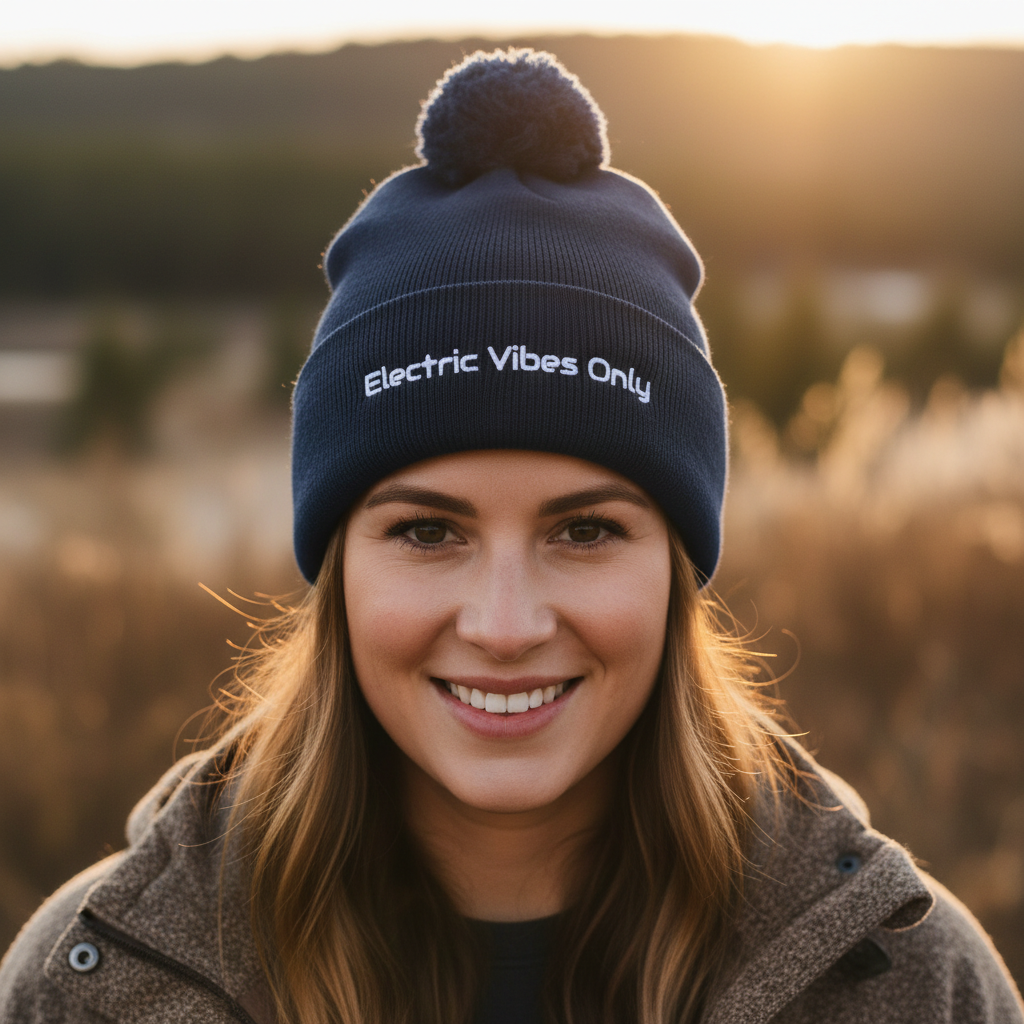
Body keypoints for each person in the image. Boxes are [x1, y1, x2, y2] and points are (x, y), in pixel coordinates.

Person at [1, 48, 1021, 1024]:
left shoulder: (905, 984)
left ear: (675, 568)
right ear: (338, 565)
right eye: (427, 530)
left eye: (583, 529)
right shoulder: (92, 987)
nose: (502, 624)